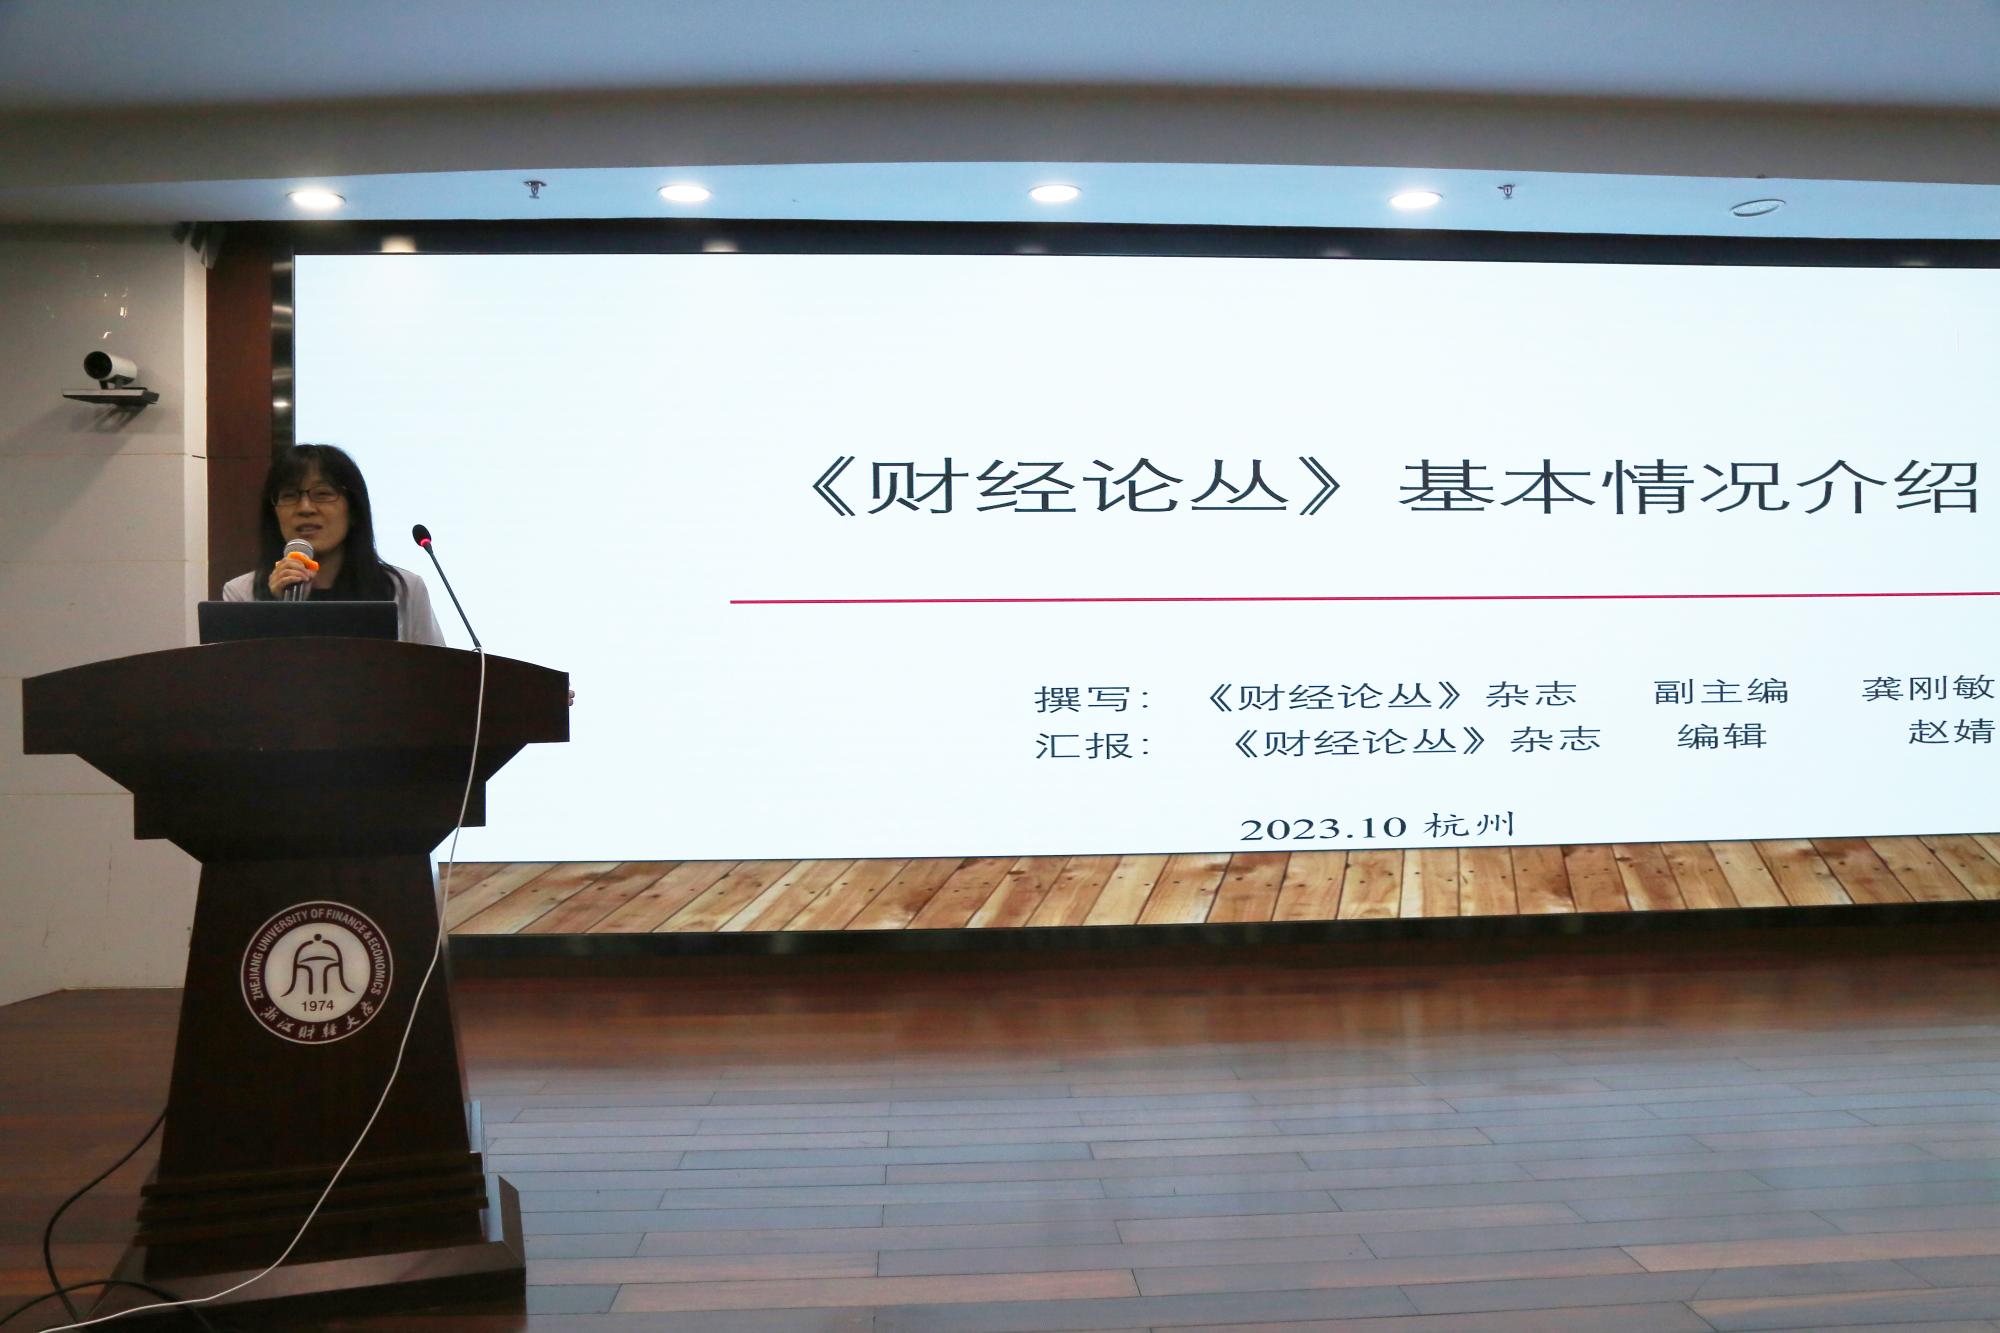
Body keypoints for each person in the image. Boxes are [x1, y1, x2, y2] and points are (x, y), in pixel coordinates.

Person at [221, 443, 447, 646]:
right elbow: (236, 675)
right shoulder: (242, 594)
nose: (305, 508)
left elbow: (434, 672)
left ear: (354, 510)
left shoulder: (404, 589)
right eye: (289, 495)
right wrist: (274, 610)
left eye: (323, 494)